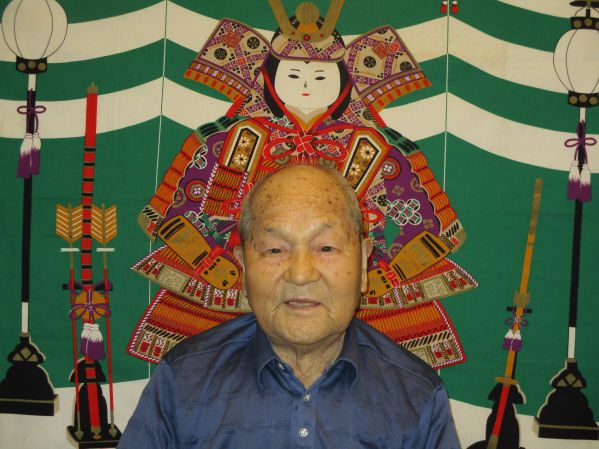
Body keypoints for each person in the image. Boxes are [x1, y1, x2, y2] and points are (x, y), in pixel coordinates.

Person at [129, 1, 476, 370]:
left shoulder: (379, 147)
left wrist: (388, 274)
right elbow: (170, 216)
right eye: (294, 75)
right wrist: (207, 259)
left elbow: (436, 232)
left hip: (351, 299)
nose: (307, 85)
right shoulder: (226, 139)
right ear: (269, 78)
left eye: (321, 77)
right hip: (231, 290)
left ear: (344, 82)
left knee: (376, 375)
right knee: (213, 374)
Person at [118, 164, 461, 449]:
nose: (300, 274)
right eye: (275, 250)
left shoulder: (417, 395)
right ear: (242, 266)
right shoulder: (182, 380)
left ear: (363, 264)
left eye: (325, 248)